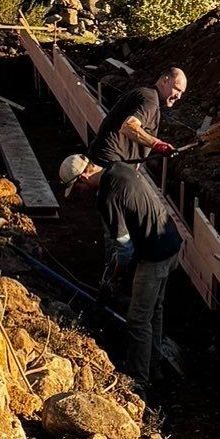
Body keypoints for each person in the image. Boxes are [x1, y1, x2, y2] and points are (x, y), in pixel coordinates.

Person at [58, 148, 181, 393]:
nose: (80, 194)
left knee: (137, 320)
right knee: (154, 309)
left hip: (154, 255)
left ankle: (138, 380)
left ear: (82, 178)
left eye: (78, 189)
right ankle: (154, 366)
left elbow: (124, 248)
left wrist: (115, 276)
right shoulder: (120, 167)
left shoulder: (106, 196)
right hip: (172, 242)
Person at [94, 65, 188, 169]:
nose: (179, 96)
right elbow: (129, 126)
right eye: (177, 89)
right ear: (165, 81)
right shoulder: (150, 100)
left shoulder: (149, 96)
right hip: (110, 162)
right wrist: (158, 145)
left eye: (181, 93)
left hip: (112, 160)